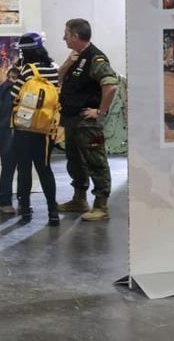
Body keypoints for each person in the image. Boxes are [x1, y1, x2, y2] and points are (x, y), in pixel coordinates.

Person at [55, 19, 119, 222]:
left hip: (87, 124)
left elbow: (111, 85)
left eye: (66, 33)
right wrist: (67, 63)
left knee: (95, 162)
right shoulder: (78, 58)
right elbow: (59, 79)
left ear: (75, 35)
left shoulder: (95, 58)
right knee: (75, 162)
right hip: (73, 121)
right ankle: (79, 199)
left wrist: (100, 112)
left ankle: (101, 206)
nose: (63, 37)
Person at [0, 34, 62, 225]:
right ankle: (52, 211)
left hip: (24, 128)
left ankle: (25, 210)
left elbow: (15, 96)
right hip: (46, 129)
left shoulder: (26, 70)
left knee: (24, 169)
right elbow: (58, 96)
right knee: (45, 169)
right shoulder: (53, 68)